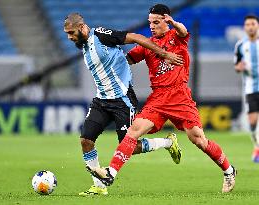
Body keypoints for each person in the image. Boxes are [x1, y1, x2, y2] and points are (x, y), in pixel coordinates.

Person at [87, 4, 237, 193]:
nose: (151, 26)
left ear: (166, 21)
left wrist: (175, 23)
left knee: (198, 140)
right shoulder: (147, 46)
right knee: (133, 132)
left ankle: (229, 171)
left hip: (179, 96)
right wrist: (107, 56)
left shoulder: (176, 37)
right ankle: (111, 173)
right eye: (150, 22)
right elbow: (127, 61)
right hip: (158, 97)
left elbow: (183, 31)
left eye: (156, 22)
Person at [64, 13, 183, 196]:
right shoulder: (83, 44)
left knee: (131, 147)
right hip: (102, 101)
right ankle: (99, 185)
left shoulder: (101, 35)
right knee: (86, 140)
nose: (69, 37)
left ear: (82, 27)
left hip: (122, 100)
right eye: (67, 34)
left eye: (71, 32)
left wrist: (163, 53)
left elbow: (135, 37)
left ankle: (168, 143)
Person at [234, 15, 259, 162]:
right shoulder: (241, 45)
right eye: (248, 24)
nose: (250, 26)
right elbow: (237, 65)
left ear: (257, 26)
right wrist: (240, 67)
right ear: (245, 27)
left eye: (253, 24)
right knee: (252, 121)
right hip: (251, 88)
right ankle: (257, 147)